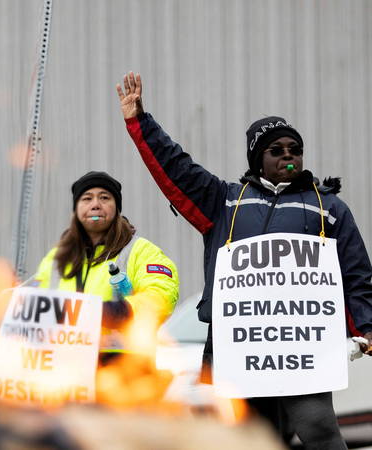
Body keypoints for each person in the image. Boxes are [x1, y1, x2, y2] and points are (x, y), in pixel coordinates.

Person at [116, 71, 372, 449]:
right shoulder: (225, 202)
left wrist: (365, 327)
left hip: (304, 345)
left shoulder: (328, 208)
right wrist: (140, 121)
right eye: (276, 149)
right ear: (257, 157)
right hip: (237, 345)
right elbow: (176, 169)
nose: (288, 155)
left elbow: (356, 273)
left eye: (294, 149)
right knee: (247, 436)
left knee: (317, 428)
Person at [33, 171, 179, 366]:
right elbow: (36, 304)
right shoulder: (56, 258)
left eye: (104, 197)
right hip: (63, 369)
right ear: (76, 210)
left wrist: (119, 311)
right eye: (87, 198)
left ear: (116, 208)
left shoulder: (140, 250)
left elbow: (162, 295)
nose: (95, 204)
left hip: (122, 372)